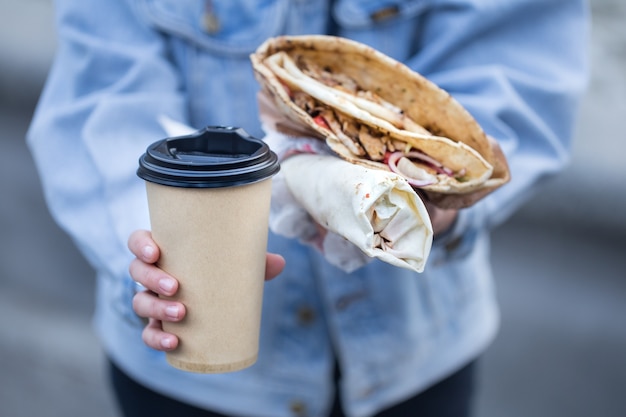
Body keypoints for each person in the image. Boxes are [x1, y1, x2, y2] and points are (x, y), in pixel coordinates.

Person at [27, 1, 589, 416]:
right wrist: (157, 245)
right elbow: (102, 95)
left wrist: (442, 197)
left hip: (416, 365)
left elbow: (517, 53)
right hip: (188, 384)